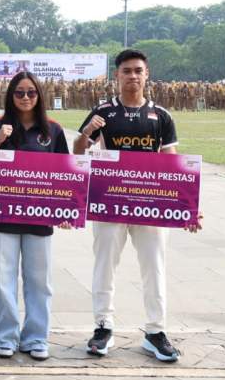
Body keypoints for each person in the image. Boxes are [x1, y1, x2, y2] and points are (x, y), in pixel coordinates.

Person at [74, 49, 203, 363]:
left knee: (154, 266)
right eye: (126, 71)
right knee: (105, 264)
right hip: (110, 201)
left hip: (150, 203)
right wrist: (88, 132)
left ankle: (155, 331)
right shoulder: (103, 111)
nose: (132, 76)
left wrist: (188, 205)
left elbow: (172, 161)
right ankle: (103, 326)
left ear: (147, 75)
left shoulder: (161, 115)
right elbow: (78, 152)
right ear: (116, 76)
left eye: (138, 71)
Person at [0, 72, 71, 361]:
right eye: (19, 93)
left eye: (31, 92)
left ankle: (36, 337)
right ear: (11, 95)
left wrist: (66, 209)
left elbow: (65, 175)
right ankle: (6, 336)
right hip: (4, 217)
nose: (25, 97)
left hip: (40, 217)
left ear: (39, 96)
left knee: (39, 281)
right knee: (4, 279)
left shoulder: (52, 130)